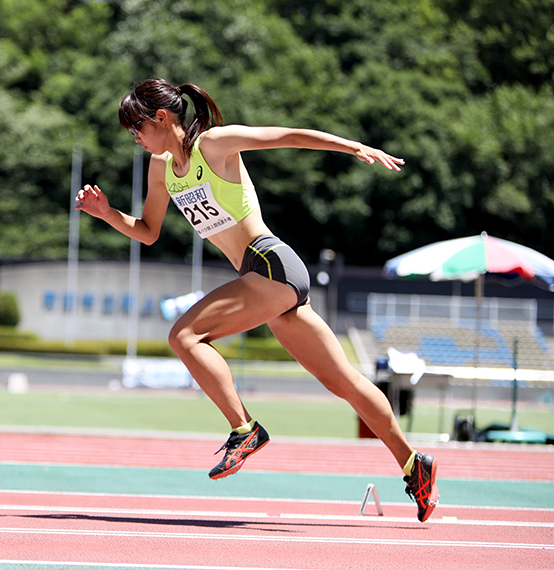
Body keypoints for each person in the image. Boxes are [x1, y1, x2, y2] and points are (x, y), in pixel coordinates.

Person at [75, 78, 439, 522]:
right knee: (342, 381)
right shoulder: (160, 169)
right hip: (264, 279)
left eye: (136, 128)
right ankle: (413, 464)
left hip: (270, 263)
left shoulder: (215, 145)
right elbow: (148, 232)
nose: (134, 137)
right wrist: (108, 214)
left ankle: (244, 429)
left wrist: (354, 146)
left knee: (185, 335)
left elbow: (287, 136)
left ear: (162, 118)